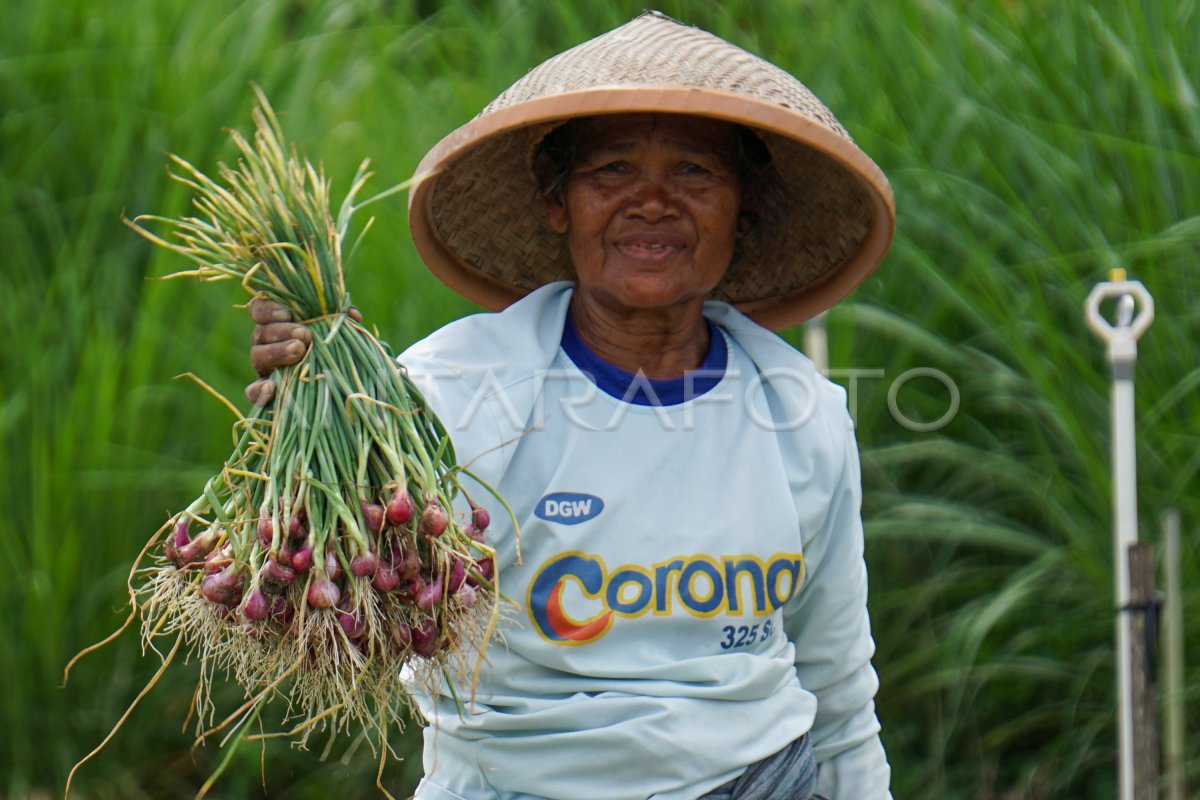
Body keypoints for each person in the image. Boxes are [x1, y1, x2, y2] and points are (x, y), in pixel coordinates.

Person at [248, 12, 894, 800]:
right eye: (611, 171)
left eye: (695, 172)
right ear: (559, 205)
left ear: (743, 211)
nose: (652, 203)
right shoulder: (449, 392)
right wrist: (313, 429)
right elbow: (361, 587)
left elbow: (837, 679)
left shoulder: (801, 413)